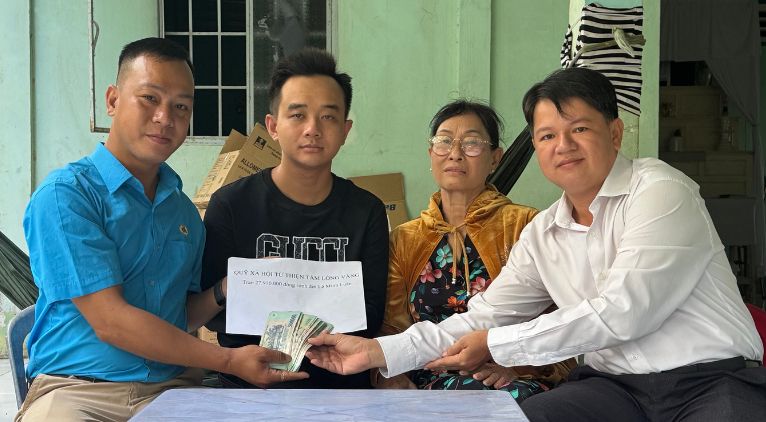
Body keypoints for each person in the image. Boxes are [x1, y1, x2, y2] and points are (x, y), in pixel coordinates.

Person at [306, 67, 766, 421]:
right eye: (547, 135)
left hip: (711, 380)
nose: (563, 146)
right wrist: (376, 352)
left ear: (615, 133)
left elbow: (623, 312)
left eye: (580, 129)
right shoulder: (544, 231)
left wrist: (496, 345)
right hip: (614, 390)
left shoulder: (660, 190)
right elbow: (483, 316)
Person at [15, 38, 308, 422]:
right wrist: (229, 360)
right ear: (113, 100)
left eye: (181, 106)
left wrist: (227, 287)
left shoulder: (183, 212)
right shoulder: (68, 196)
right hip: (78, 392)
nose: (165, 117)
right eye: (149, 98)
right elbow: (111, 321)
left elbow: (177, 316)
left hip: (173, 391)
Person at [201, 48, 389, 389]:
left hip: (342, 391)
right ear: (273, 126)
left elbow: (370, 313)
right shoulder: (231, 205)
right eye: (298, 115)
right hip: (248, 391)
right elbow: (212, 314)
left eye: (328, 117)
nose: (313, 129)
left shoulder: (367, 211)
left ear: (345, 130)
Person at [376, 99, 574, 401]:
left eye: (471, 143)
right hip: (428, 377)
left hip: (508, 376)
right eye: (444, 141)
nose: (455, 153)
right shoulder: (405, 239)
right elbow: (392, 327)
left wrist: (516, 368)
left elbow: (558, 321)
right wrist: (391, 378)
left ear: (495, 158)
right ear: (431, 154)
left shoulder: (526, 225)